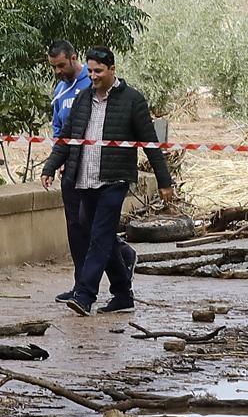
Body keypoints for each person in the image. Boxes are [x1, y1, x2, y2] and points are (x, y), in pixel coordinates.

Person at [40, 47, 174, 316]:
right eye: (90, 71)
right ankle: (123, 294)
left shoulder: (132, 100)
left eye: (98, 71)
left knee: (100, 235)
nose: (93, 76)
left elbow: (150, 143)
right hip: (84, 179)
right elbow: (67, 137)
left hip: (115, 179)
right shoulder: (82, 99)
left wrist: (164, 181)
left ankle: (85, 294)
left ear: (113, 69)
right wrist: (50, 166)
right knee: (99, 235)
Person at [46, 40, 138, 306]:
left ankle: (88, 291)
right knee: (78, 229)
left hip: (103, 172)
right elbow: (61, 130)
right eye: (53, 67)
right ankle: (93, 287)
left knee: (97, 231)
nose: (58, 71)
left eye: (61, 65)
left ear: (73, 58)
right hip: (73, 171)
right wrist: (55, 162)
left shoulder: (93, 87)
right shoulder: (61, 90)